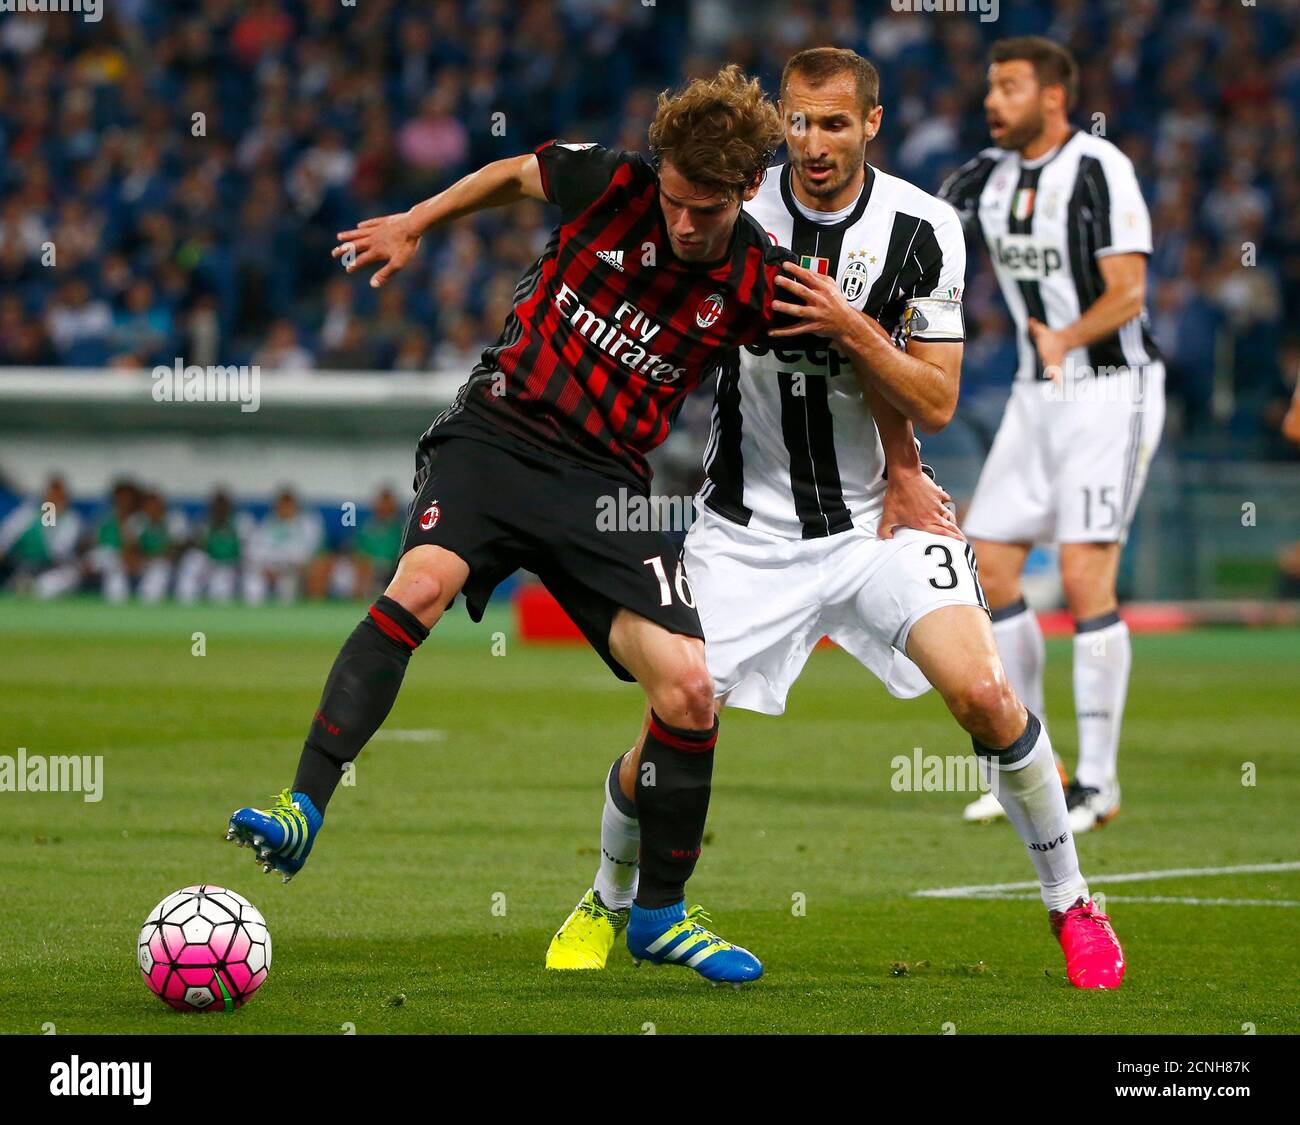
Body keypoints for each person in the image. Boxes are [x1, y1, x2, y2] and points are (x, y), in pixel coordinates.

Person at [228, 66, 821, 985]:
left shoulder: (761, 276)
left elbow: (847, 365)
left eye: (706, 209)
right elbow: (509, 174)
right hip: (496, 436)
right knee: (419, 584)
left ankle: (658, 912)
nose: (683, 223)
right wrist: (415, 224)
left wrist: (903, 470)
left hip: (608, 486)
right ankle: (302, 802)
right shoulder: (614, 181)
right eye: (675, 201)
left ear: (747, 191)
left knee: (690, 690)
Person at [548, 47, 1124, 990]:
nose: (814, 144)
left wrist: (858, 338)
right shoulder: (736, 208)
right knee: (670, 725)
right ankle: (609, 897)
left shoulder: (924, 226)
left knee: (986, 695)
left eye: (835, 123)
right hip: (743, 531)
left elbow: (936, 399)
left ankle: (1072, 901)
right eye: (799, 123)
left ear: (872, 125)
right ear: (781, 122)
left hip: (878, 527)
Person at [939, 37, 1165, 833]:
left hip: (1110, 386)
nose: (992, 101)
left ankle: (1099, 783)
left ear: (1054, 98)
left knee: (1082, 575)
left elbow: (1129, 292)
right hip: (1040, 394)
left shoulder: (1101, 168)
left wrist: (1067, 338)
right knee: (990, 567)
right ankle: (1039, 763)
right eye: (990, 85)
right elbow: (921, 221)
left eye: (1008, 87)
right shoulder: (987, 177)